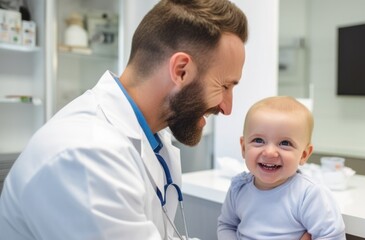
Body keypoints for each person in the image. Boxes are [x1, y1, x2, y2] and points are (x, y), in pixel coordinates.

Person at [0, 0, 247, 239]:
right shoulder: (87, 154)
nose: (227, 108)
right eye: (224, 85)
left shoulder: (153, 138)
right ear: (181, 70)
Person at [217, 96, 346, 240]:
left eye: (285, 143)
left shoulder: (309, 195)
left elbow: (332, 236)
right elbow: (227, 225)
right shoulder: (238, 188)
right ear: (243, 147)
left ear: (303, 155)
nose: (270, 152)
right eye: (258, 140)